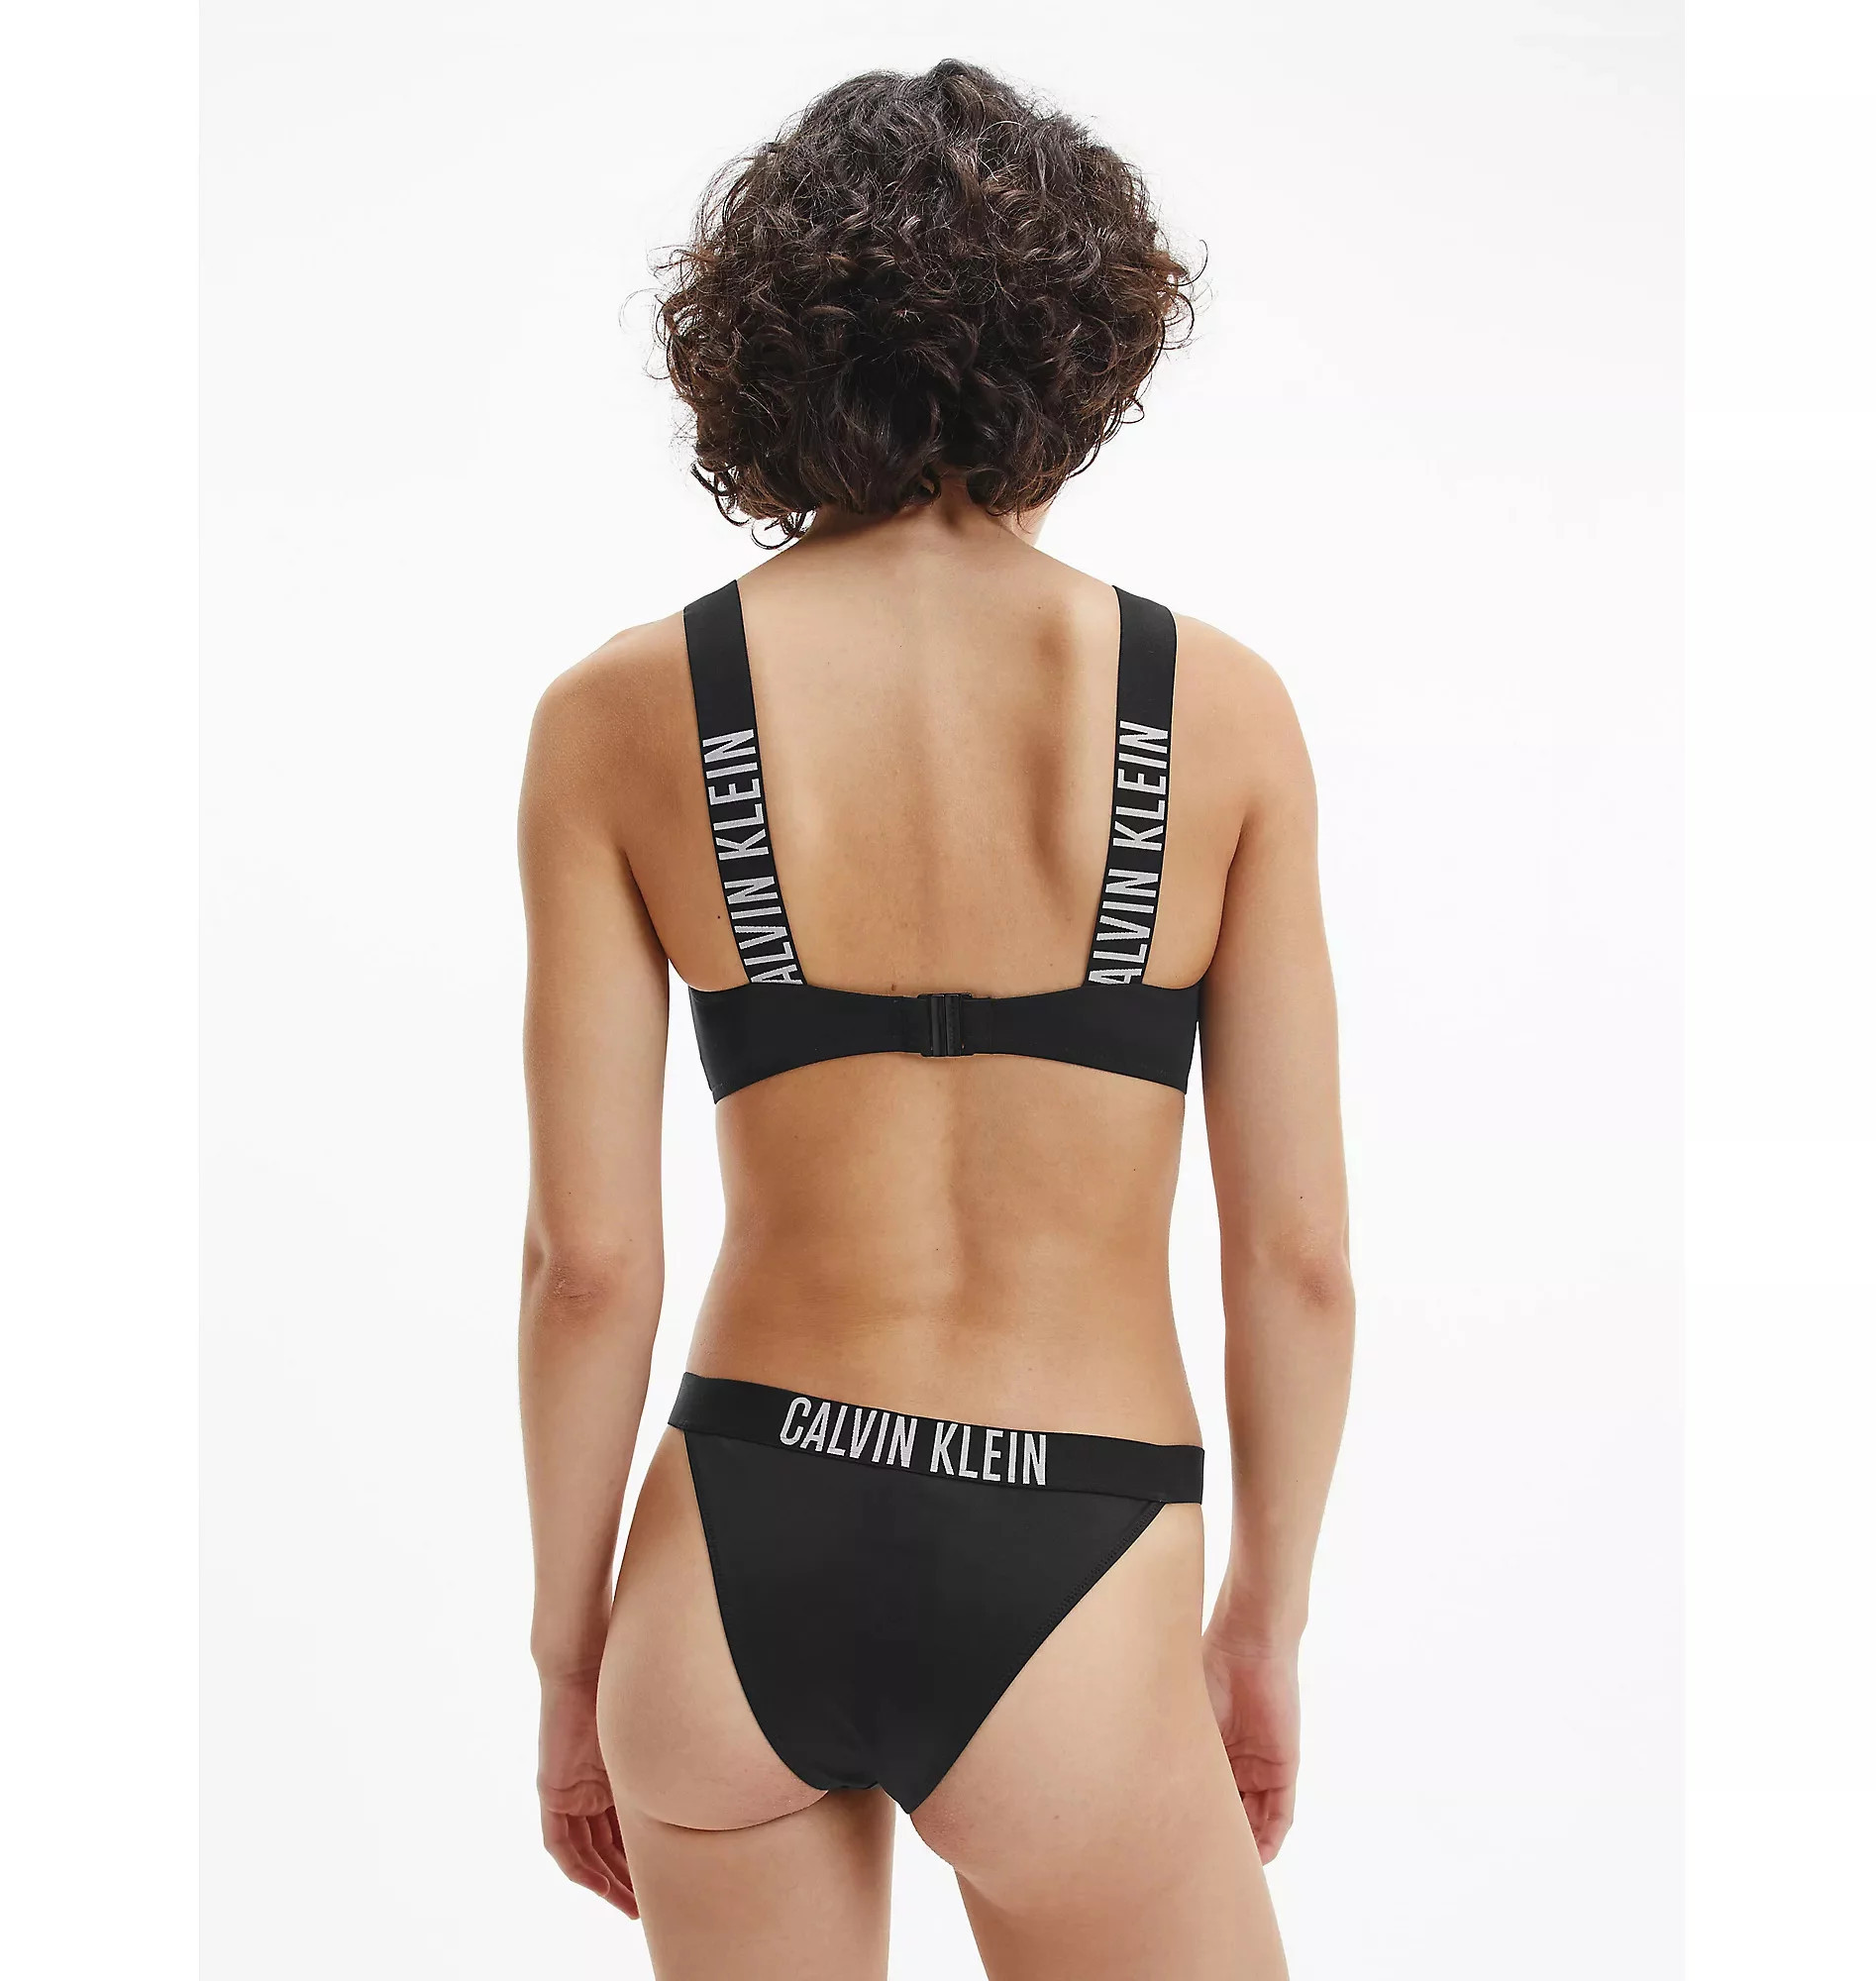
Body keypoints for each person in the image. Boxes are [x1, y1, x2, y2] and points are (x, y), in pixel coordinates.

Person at [517, 59, 1354, 1980]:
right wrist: (1262, 1620)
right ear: (1079, 346)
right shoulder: (1217, 713)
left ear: (762, 349)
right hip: (1073, 1552)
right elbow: (1296, 1263)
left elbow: (587, 1265)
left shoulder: (617, 715)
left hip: (737, 1537)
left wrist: (572, 1662)